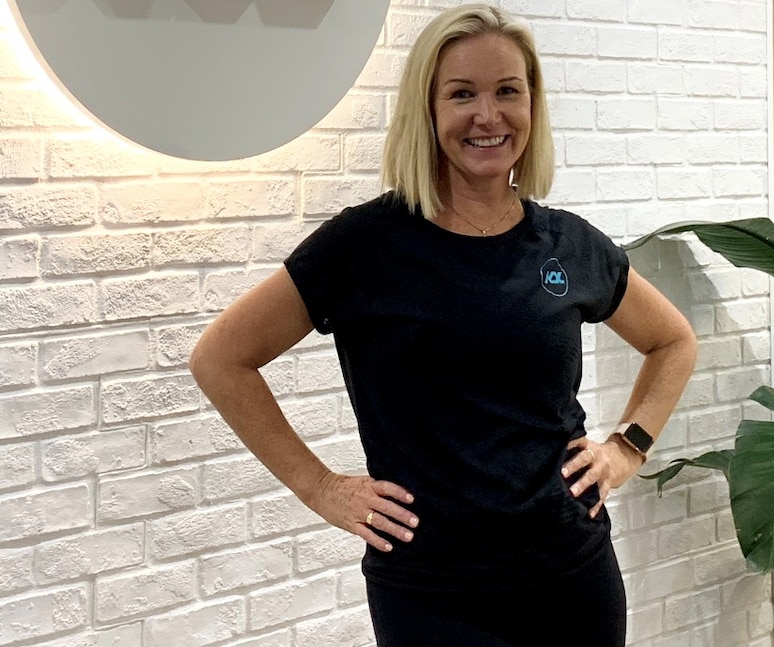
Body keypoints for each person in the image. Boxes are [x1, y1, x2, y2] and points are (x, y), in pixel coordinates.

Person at [190, 5, 698, 646]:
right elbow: (221, 357)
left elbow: (672, 340)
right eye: (463, 94)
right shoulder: (366, 247)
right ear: (426, 111)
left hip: (573, 579)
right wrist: (318, 486)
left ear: (532, 106)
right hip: (432, 597)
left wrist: (626, 447)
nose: (488, 115)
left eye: (508, 91)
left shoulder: (565, 245)